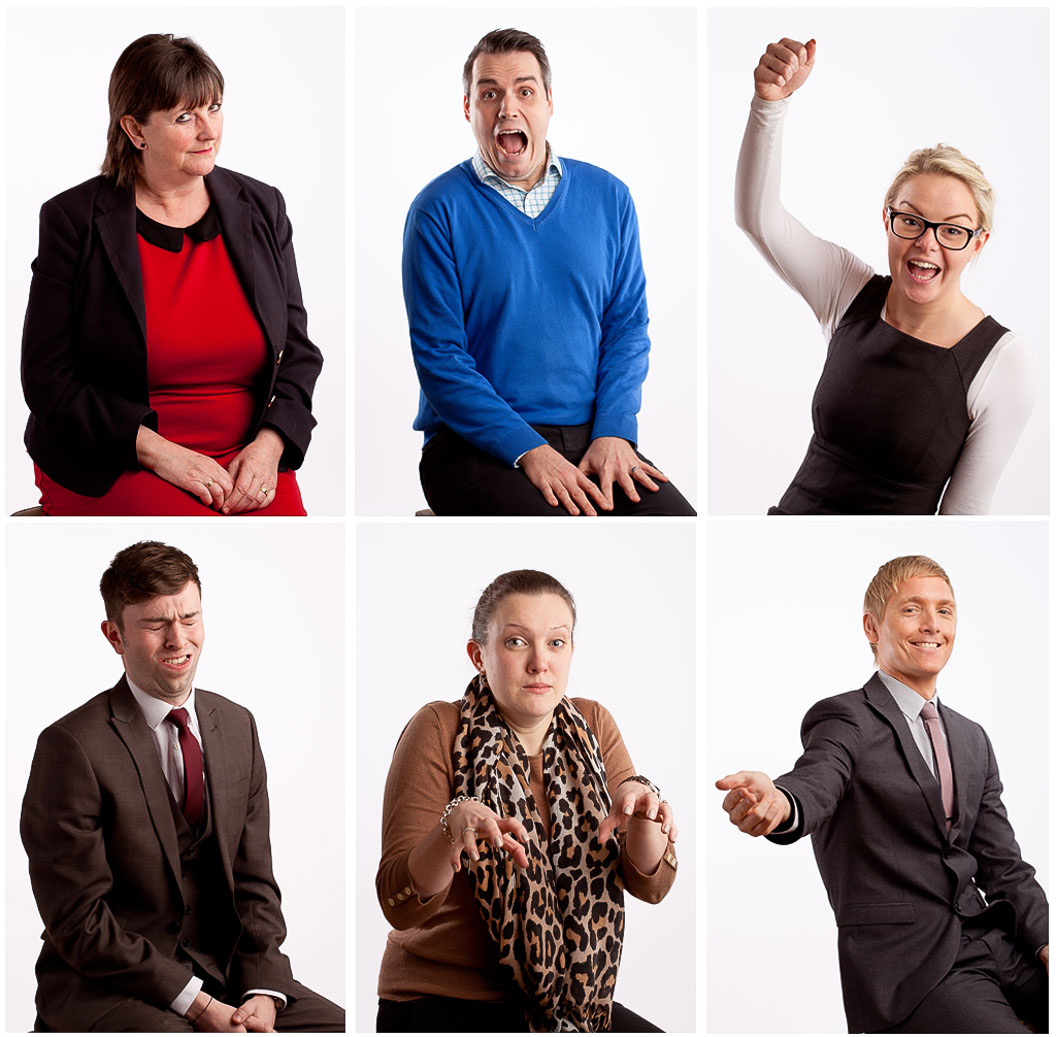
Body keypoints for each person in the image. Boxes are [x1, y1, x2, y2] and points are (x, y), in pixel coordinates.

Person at [20, 541, 344, 1032]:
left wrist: (262, 988)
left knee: (340, 1026)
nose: (178, 639)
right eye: (155, 624)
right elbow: (79, 920)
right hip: (105, 984)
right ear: (115, 636)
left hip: (226, 974)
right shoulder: (71, 746)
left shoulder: (237, 726)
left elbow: (254, 882)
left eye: (190, 618)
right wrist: (196, 1004)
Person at [716, 555, 1048, 1033]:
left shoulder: (973, 738)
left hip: (999, 945)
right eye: (912, 609)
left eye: (945, 610)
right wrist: (781, 806)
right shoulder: (845, 718)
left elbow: (1004, 865)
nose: (932, 624)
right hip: (912, 970)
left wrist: (1045, 944)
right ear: (872, 626)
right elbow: (816, 780)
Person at [21, 34, 322, 515]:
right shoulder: (72, 219)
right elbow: (47, 378)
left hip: (247, 457)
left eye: (214, 108)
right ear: (135, 131)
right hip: (118, 456)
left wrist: (270, 446)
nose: (209, 132)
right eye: (185, 117)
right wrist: (162, 454)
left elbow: (299, 352)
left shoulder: (263, 206)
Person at [735, 38, 1034, 515]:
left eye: (952, 230)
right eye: (912, 220)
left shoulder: (1003, 363)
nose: (927, 242)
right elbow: (759, 219)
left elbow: (964, 519)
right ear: (888, 219)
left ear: (979, 242)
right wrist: (769, 105)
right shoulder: (849, 290)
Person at [403, 28, 695, 517]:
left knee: (679, 526)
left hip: (592, 438)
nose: (507, 108)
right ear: (468, 109)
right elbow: (440, 357)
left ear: (549, 102)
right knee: (562, 529)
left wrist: (615, 430)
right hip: (472, 446)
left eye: (524, 90)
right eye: (489, 93)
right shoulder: (437, 209)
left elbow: (627, 328)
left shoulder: (610, 197)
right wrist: (529, 451)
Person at [376, 570, 679, 1031]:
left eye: (556, 643)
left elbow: (651, 886)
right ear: (479, 656)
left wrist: (642, 814)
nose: (540, 663)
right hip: (442, 998)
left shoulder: (594, 723)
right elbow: (397, 901)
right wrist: (451, 827)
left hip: (573, 1003)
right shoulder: (439, 728)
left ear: (572, 651)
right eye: (517, 642)